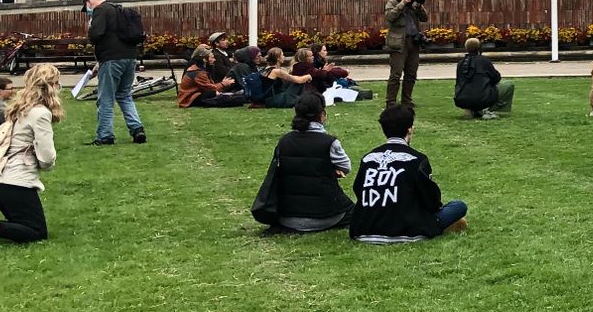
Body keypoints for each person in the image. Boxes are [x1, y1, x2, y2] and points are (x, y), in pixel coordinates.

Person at [350, 101, 468, 243]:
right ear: (410, 130)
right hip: (409, 229)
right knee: (458, 206)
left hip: (364, 228)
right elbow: (432, 202)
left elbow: (358, 190)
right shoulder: (417, 159)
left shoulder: (368, 158)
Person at [252, 90, 356, 233]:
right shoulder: (329, 142)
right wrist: (331, 169)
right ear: (322, 115)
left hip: (287, 217)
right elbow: (345, 167)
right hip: (326, 215)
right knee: (358, 211)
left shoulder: (284, 141)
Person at [0, 64, 62, 243]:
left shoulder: (19, 108)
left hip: (0, 178)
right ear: (51, 86)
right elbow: (46, 158)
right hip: (16, 180)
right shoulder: (40, 113)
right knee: (36, 231)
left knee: (23, 224)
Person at [83, 0, 146, 146]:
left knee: (105, 98)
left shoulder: (100, 10)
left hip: (111, 59)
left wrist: (90, 27)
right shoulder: (120, 10)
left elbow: (96, 35)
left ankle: (105, 136)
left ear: (89, 2)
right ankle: (137, 129)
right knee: (125, 95)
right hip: (130, 57)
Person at [383, 0, 428, 108]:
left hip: (413, 42)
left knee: (411, 74)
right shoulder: (393, 2)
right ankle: (390, 102)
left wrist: (419, 6)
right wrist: (402, 3)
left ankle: (406, 101)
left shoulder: (414, 5)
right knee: (396, 74)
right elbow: (389, 17)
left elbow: (424, 18)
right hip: (399, 43)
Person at [452, 37, 514, 119]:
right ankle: (487, 110)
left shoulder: (461, 63)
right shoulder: (484, 61)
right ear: (479, 48)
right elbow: (496, 78)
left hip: (461, 99)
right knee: (508, 85)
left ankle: (471, 109)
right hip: (482, 97)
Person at [178, 46, 248, 108]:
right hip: (192, 99)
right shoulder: (198, 73)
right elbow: (210, 88)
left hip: (198, 95)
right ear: (204, 59)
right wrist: (224, 83)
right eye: (212, 57)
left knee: (233, 97)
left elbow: (210, 87)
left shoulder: (201, 69)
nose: (214, 60)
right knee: (235, 99)